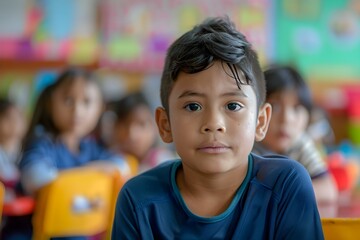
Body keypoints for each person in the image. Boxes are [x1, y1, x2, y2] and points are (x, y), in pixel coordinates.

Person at [111, 16, 324, 239]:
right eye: (193, 106)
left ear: (260, 121)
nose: (213, 123)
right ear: (165, 125)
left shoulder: (285, 186)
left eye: (233, 105)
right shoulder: (138, 200)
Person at [14, 67, 130, 240]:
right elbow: (35, 177)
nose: (77, 111)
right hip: (33, 232)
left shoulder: (91, 147)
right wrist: (91, 172)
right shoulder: (43, 143)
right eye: (68, 100)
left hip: (77, 232)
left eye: (87, 102)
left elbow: (123, 166)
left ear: (100, 109)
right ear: (50, 103)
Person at [252, 65, 338, 204]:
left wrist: (284, 194)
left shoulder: (301, 145)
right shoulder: (248, 147)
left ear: (308, 116)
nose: (286, 119)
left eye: (296, 108)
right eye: (275, 106)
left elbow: (328, 190)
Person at [107, 91, 175, 174]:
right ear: (116, 127)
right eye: (125, 125)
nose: (132, 134)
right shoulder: (110, 160)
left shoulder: (164, 162)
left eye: (142, 124)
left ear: (157, 126)